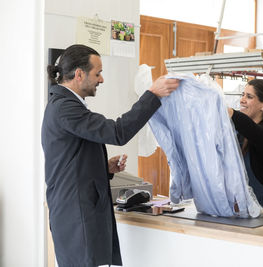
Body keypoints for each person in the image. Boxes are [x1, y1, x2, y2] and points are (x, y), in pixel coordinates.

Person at [41, 44, 179, 267]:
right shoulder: (65, 108)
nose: (101, 79)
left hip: (76, 212)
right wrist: (152, 94)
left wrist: (104, 168)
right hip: (75, 216)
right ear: (79, 74)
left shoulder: (64, 105)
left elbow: (70, 160)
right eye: (98, 73)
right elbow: (117, 132)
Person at [228, 79, 263, 211]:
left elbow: (252, 130)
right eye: (243, 95)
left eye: (249, 97)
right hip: (237, 214)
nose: (242, 100)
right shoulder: (238, 133)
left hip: (262, 214)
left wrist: (230, 112)